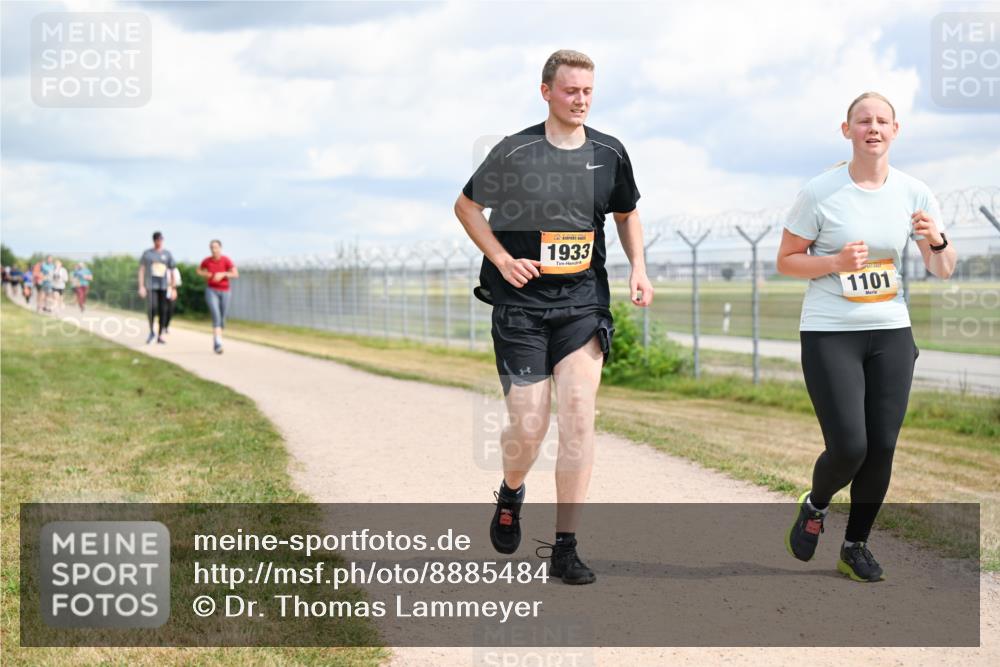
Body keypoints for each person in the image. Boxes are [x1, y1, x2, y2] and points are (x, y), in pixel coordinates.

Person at [454, 49, 653, 585]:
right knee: (529, 424)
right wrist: (500, 258)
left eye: (588, 91)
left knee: (579, 416)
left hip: (582, 305)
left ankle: (565, 547)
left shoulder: (610, 152)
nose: (581, 100)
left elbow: (627, 214)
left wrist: (639, 267)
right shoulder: (515, 151)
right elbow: (467, 207)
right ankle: (511, 491)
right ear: (547, 92)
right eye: (571, 91)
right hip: (520, 307)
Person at [778, 92, 957, 582]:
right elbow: (786, 260)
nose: (872, 128)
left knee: (882, 446)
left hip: (891, 331)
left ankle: (855, 546)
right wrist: (834, 262)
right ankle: (815, 505)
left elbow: (941, 268)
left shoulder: (915, 193)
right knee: (850, 446)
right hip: (831, 332)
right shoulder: (821, 191)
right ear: (847, 130)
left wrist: (937, 239)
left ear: (895, 131)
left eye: (882, 121)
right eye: (863, 121)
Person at [196, 239, 238, 354]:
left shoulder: (226, 260)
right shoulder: (207, 261)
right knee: (216, 316)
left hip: (225, 291)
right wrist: (206, 274)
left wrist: (223, 274)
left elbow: (235, 273)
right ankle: (218, 343)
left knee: (222, 318)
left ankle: (218, 335)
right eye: (212, 248)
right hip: (211, 290)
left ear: (220, 248)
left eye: (216, 247)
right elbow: (198, 270)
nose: (214, 250)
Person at [137, 231, 177, 344]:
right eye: (157, 239)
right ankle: (151, 332)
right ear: (154, 240)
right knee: (152, 308)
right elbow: (141, 270)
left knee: (163, 310)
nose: (159, 241)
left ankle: (160, 335)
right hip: (151, 285)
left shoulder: (167, 254)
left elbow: (172, 271)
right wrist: (141, 286)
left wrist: (173, 288)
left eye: (161, 239)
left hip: (163, 286)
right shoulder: (147, 254)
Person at [162, 266, 182, 334]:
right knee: (163, 310)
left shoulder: (175, 270)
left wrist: (174, 289)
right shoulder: (162, 268)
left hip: (172, 291)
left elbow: (178, 282)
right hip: (162, 291)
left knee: (170, 310)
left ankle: (166, 326)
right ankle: (162, 326)